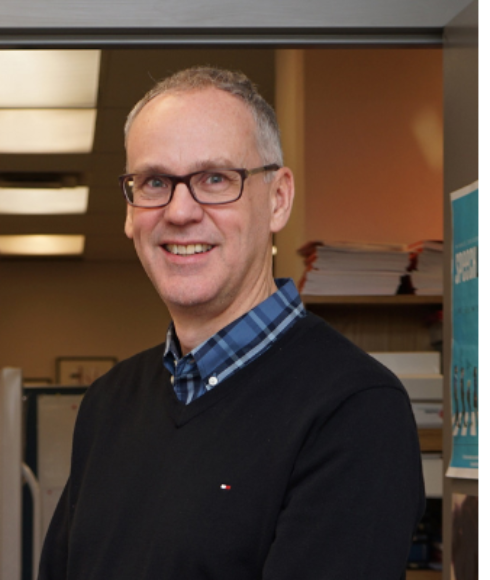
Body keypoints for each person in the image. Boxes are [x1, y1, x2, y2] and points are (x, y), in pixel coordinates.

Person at [39, 67, 425, 580]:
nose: (179, 211)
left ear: (278, 199)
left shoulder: (354, 409)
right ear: (130, 212)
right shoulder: (107, 404)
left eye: (215, 179)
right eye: (154, 182)